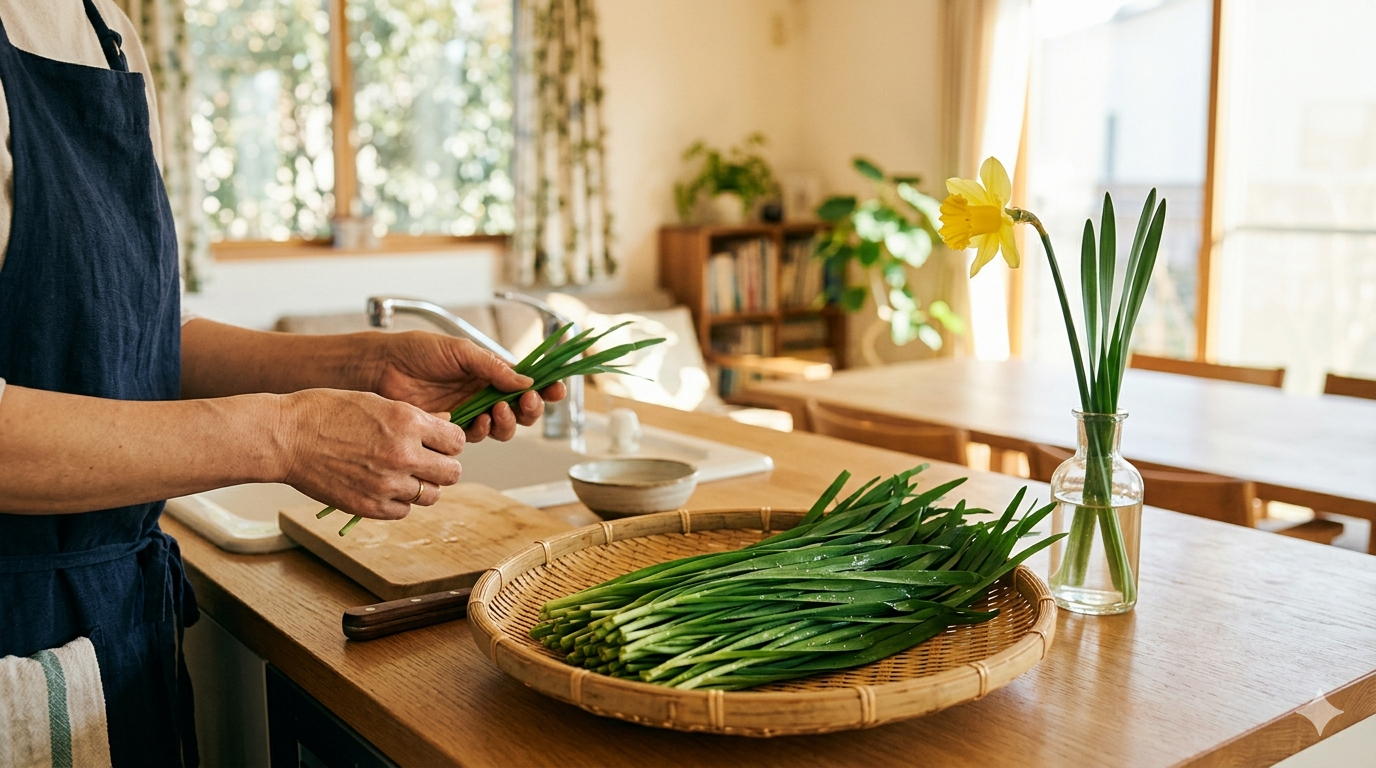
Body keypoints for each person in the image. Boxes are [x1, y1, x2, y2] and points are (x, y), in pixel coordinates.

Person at [0, 2, 562, 765]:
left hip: (116, 612)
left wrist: (364, 367)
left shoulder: (110, 32)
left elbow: (133, 335)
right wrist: (285, 434)